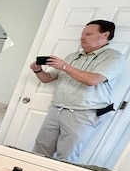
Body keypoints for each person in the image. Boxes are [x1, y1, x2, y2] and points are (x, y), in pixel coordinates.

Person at [29, 19, 124, 163]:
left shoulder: (113, 57)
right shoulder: (72, 56)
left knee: (67, 157)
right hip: (57, 109)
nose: (82, 37)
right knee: (40, 150)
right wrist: (38, 70)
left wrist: (65, 67)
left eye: (88, 34)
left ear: (105, 35)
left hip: (83, 114)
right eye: (82, 34)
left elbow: (92, 80)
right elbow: (47, 78)